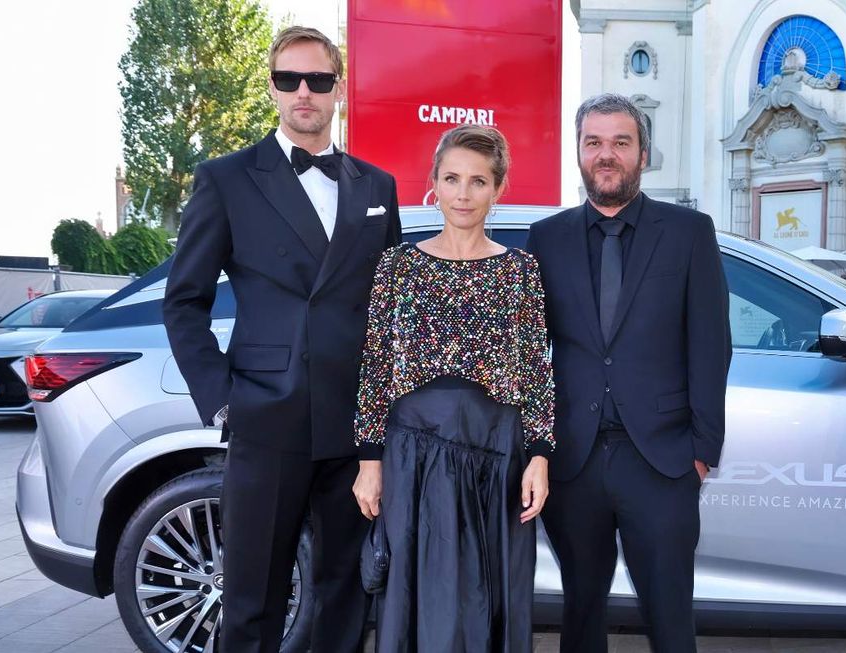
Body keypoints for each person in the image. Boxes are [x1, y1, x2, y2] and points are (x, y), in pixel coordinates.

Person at [161, 25, 401, 653]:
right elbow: (183, 302)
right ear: (271, 87)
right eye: (289, 79)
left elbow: (392, 306)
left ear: (338, 89)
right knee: (252, 601)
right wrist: (222, 399)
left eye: (318, 80)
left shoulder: (377, 186)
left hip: (355, 427)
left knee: (346, 593)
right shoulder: (227, 179)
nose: (304, 92)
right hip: (267, 418)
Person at [526, 93, 731, 652]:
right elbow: (526, 355)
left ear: (643, 152)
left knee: (669, 618)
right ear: (579, 152)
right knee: (581, 611)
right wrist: (535, 447)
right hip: (574, 461)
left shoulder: (689, 233)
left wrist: (701, 451)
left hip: (663, 463)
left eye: (621, 142)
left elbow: (712, 346)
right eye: (594, 142)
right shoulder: (547, 239)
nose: (606, 154)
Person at [352, 124, 555, 652]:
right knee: (418, 595)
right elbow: (375, 364)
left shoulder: (520, 270)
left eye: (478, 181)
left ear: (498, 189)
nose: (463, 194)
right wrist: (369, 464)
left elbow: (535, 367)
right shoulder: (396, 265)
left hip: (496, 455)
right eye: (452, 179)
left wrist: (539, 456)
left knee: (487, 599)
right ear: (433, 185)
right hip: (412, 455)